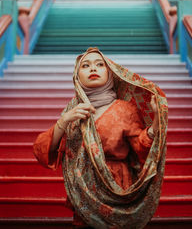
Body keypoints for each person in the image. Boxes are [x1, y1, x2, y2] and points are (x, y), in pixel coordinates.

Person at [33, 47, 168, 229]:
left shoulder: (124, 109)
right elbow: (42, 150)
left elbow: (142, 149)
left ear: (110, 73)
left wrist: (156, 125)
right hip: (83, 192)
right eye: (86, 65)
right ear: (76, 76)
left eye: (100, 64)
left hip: (116, 186)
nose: (93, 69)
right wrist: (63, 121)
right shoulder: (72, 110)